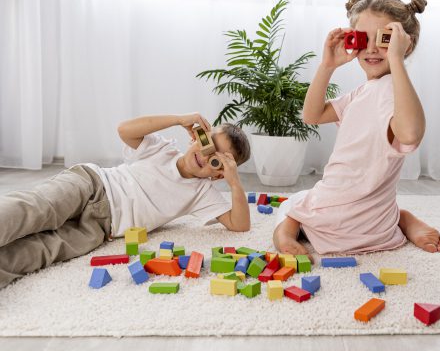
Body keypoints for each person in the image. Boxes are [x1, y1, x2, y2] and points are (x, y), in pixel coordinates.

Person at [273, 0, 440, 258]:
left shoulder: (396, 94)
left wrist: (397, 60)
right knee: (308, 199)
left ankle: (286, 231)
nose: (372, 49)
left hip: (355, 217)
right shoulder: (363, 92)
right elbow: (312, 115)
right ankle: (401, 217)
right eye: (363, 39)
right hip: (373, 219)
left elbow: (410, 133)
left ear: (404, 44)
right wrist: (328, 65)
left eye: (385, 39)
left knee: (293, 206)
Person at [0, 113, 251, 289]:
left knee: (43, 250)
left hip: (102, 228)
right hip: (93, 185)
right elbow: (125, 130)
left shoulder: (203, 193)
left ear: (219, 173)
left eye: (216, 161)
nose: (205, 158)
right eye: (207, 146)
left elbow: (239, 225)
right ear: (196, 137)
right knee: (39, 208)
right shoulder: (163, 149)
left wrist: (234, 182)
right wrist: (177, 119)